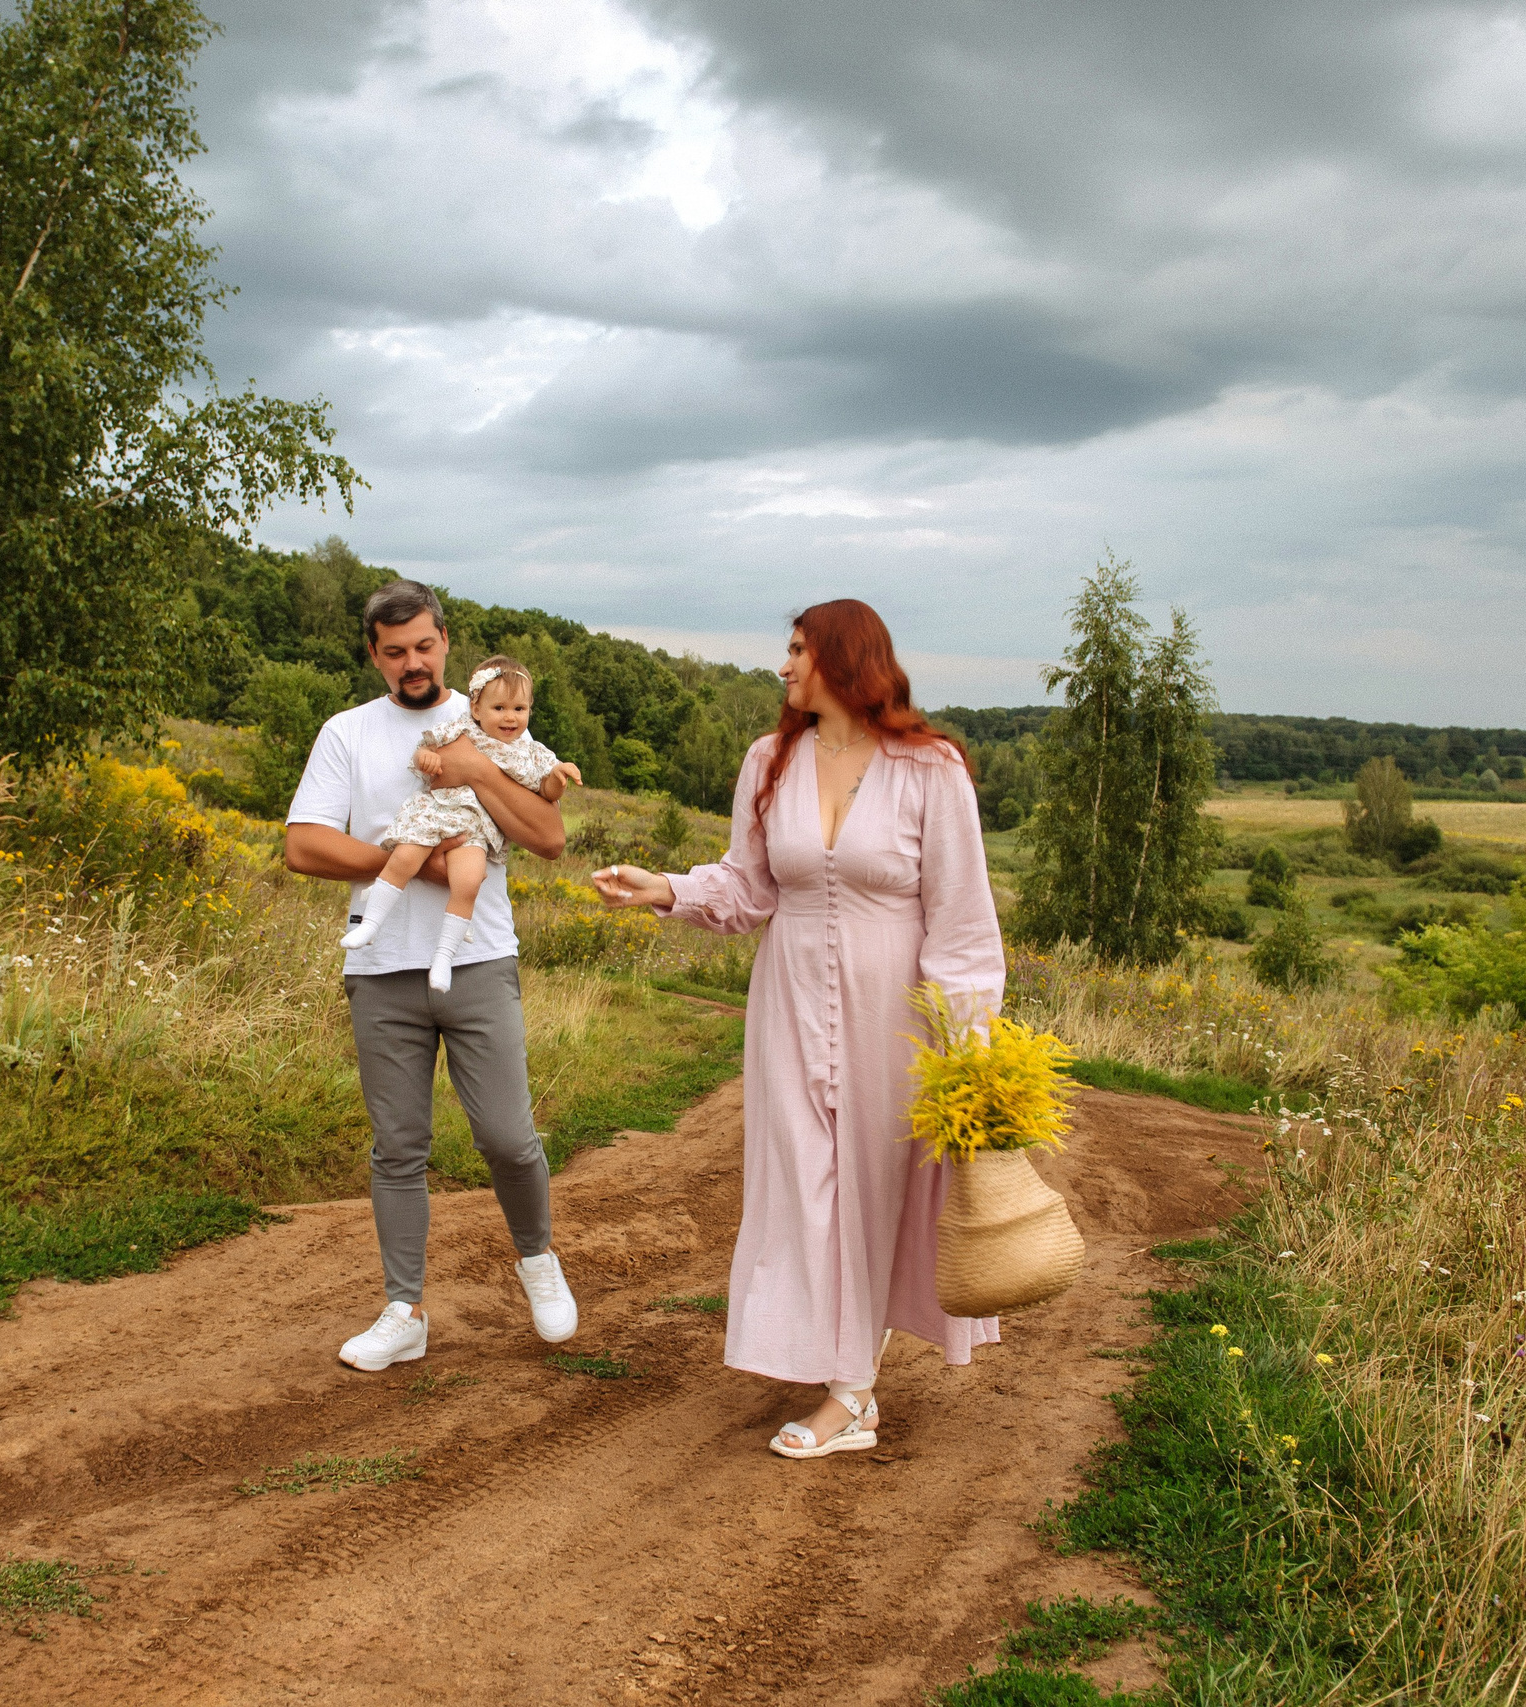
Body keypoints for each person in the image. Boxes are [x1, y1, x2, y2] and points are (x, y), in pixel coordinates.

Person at [590, 598, 1005, 1459]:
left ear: (847, 659)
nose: (782, 666)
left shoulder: (932, 770)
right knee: (804, 1182)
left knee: (877, 1189)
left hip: (896, 1015)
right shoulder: (768, 760)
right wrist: (665, 886)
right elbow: (750, 886)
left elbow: (962, 925)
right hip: (787, 1003)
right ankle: (846, 1380)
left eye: (796, 649)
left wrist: (970, 1057)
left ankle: (852, 1391)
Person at [285, 581, 581, 1372]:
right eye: (394, 652)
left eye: (423, 645)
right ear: (373, 655)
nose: (411, 663)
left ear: (445, 641)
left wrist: (475, 770)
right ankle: (404, 1309)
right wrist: (419, 866)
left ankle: (537, 1258)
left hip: (480, 957)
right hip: (381, 969)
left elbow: (549, 837)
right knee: (398, 1147)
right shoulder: (347, 733)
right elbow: (304, 845)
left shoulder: (493, 723)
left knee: (508, 1138)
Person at [339, 654, 584, 991]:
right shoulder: (463, 730)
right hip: (437, 811)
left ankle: (444, 957)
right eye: (499, 708)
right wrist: (425, 758)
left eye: (519, 709)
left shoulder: (533, 752)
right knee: (404, 858)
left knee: (468, 882)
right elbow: (426, 748)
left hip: (475, 829)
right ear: (476, 710)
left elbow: (546, 789)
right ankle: (370, 923)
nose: (510, 717)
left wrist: (560, 775)